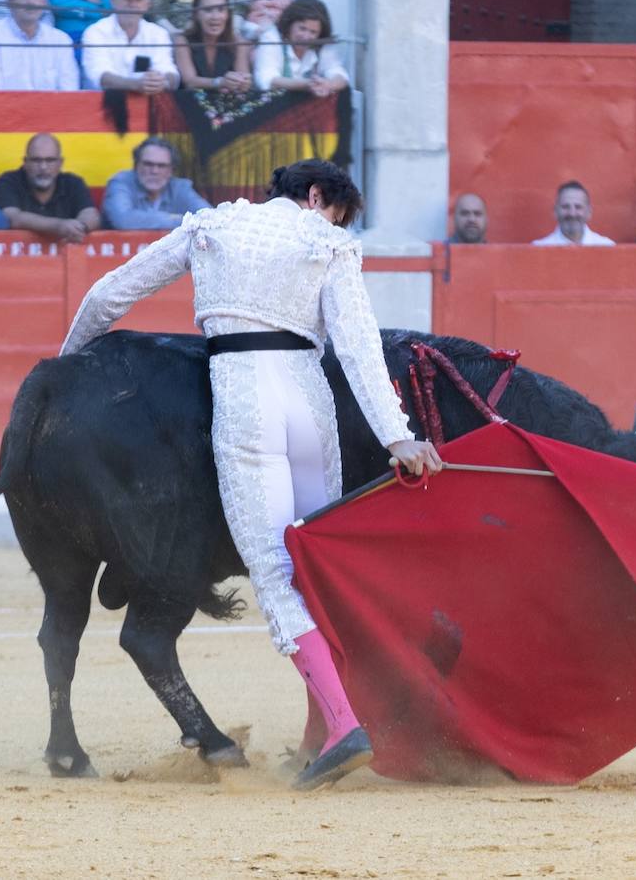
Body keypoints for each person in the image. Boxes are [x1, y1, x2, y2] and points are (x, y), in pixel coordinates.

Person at [58, 158, 442, 791]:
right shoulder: (327, 242)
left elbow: (107, 296)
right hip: (309, 405)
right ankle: (325, 728)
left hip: (246, 401)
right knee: (318, 562)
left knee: (274, 570)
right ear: (315, 196)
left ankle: (343, 727)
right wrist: (397, 436)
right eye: (335, 213)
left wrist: (67, 365)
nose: (333, 223)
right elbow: (357, 345)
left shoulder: (210, 228)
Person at [0, 133, 101, 242]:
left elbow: (91, 214)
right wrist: (59, 226)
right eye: (36, 160)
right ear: (25, 162)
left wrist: (78, 228)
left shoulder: (73, 183)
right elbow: (11, 217)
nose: (43, 167)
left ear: (60, 163)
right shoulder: (8, 181)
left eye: (50, 160)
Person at [81, 0, 178, 93]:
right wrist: (135, 85)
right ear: (113, 1)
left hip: (146, 100)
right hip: (100, 102)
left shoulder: (158, 34)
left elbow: (168, 70)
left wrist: (163, 82)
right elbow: (99, 75)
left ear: (148, 4)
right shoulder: (96, 32)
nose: (132, 4)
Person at [102, 136, 211, 230]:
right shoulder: (121, 182)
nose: (154, 171)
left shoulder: (180, 187)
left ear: (171, 170)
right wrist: (179, 219)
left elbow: (211, 217)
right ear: (136, 165)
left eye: (162, 166)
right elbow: (123, 220)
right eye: (148, 164)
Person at [252, 0, 347, 96]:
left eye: (313, 32)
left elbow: (338, 73)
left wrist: (329, 85)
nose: (306, 37)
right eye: (302, 28)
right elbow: (266, 79)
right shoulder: (272, 37)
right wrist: (307, 85)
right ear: (290, 25)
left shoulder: (321, 43)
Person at [173, 0, 251, 92]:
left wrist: (243, 83)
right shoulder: (182, 40)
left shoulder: (238, 42)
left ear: (228, 14)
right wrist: (220, 82)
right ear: (196, 14)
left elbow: (243, 81)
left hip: (227, 100)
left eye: (221, 10)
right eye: (208, 10)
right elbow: (190, 81)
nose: (215, 17)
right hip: (191, 100)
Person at [531, 181, 614, 246]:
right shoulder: (539, 249)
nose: (572, 213)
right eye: (565, 207)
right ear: (555, 211)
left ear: (589, 212)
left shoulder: (606, 246)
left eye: (578, 207)